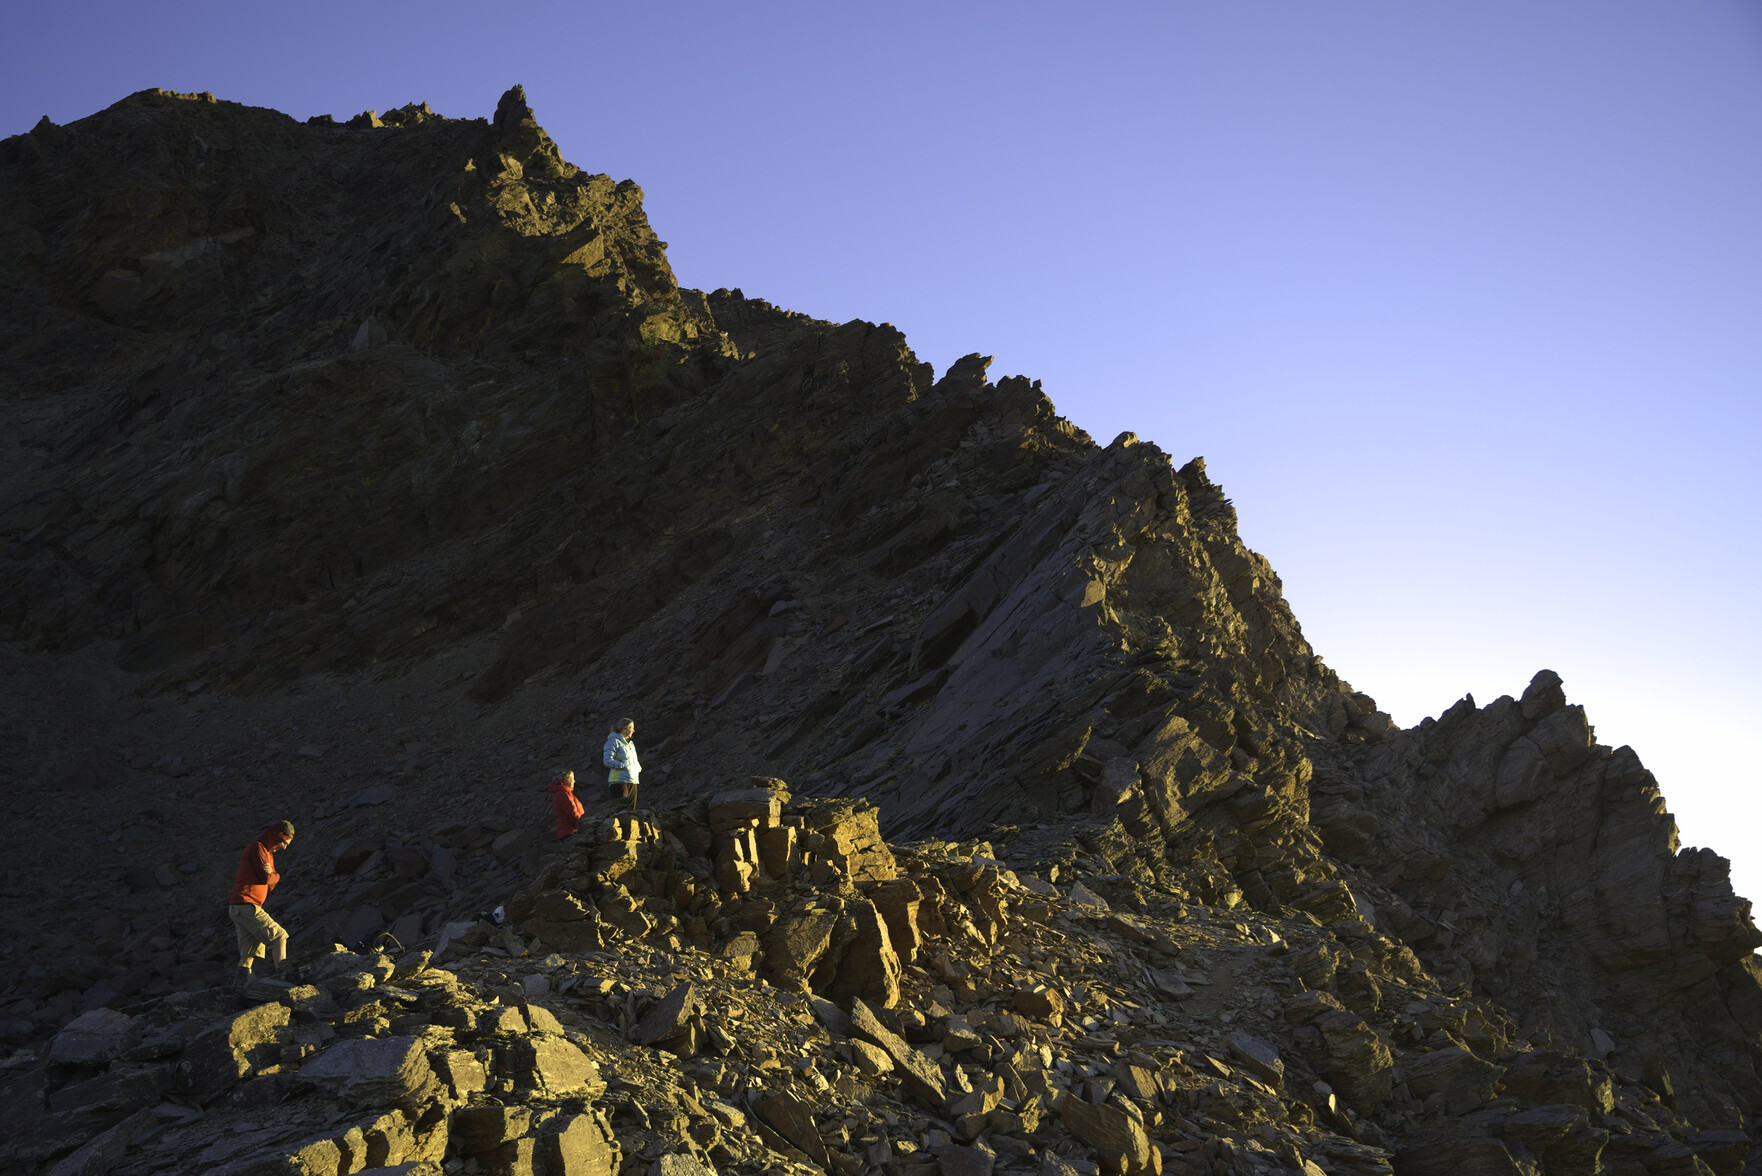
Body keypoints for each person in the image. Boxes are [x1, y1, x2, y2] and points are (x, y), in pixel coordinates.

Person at [229, 820, 294, 987]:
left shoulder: (268, 855)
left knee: (249, 953)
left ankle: (239, 985)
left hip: (241, 907)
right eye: (284, 842)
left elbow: (270, 884)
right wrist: (274, 875)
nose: (285, 847)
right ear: (276, 836)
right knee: (280, 936)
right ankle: (284, 976)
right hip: (246, 905)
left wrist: (274, 875)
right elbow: (266, 878)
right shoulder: (257, 848)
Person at [602, 717, 641, 809]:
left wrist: (638, 768)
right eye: (631, 727)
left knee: (631, 812)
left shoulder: (630, 744)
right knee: (622, 812)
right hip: (618, 782)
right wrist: (623, 766)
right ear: (624, 729)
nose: (633, 730)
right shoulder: (613, 741)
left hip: (632, 780)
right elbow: (607, 760)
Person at [550, 770, 585, 839]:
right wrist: (582, 825)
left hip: (567, 831)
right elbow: (571, 812)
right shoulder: (564, 794)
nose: (574, 781)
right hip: (570, 832)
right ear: (567, 780)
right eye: (572, 779)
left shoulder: (563, 793)